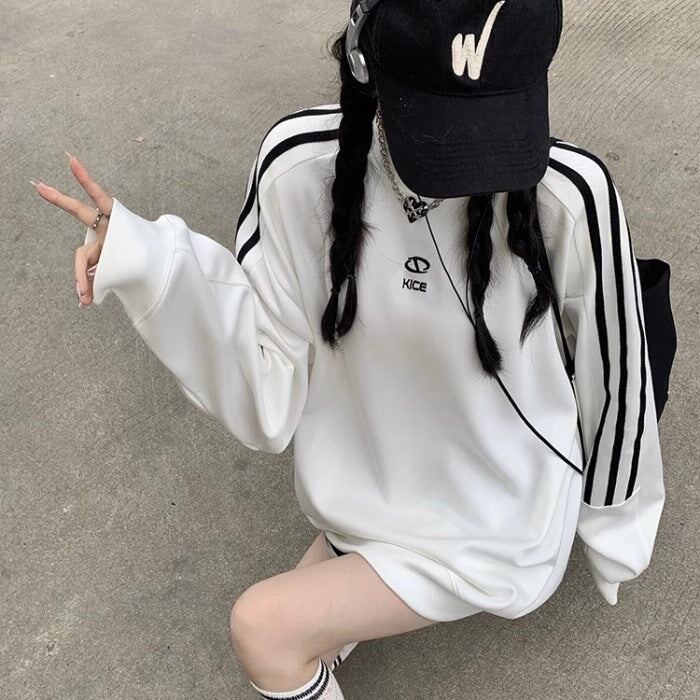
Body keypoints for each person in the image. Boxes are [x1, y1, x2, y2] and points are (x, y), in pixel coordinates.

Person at [32, 1, 666, 698]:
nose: (467, 164)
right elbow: (265, 374)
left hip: (499, 515)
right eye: (436, 122)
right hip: (366, 491)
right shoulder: (298, 169)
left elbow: (617, 370)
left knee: (263, 630)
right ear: (364, 61)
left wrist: (616, 526)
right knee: (292, 632)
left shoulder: (570, 195)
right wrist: (147, 260)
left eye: (491, 120)